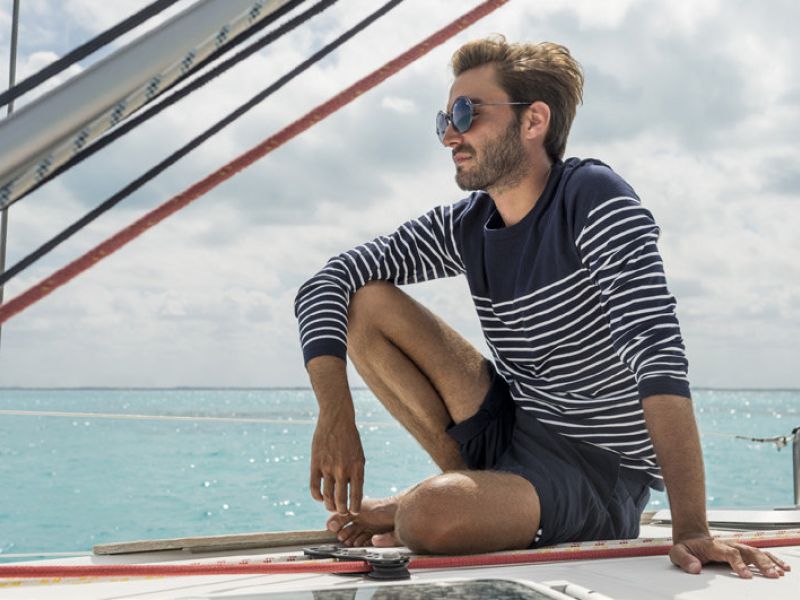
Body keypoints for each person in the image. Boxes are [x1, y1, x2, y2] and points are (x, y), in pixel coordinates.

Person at [293, 36, 789, 578]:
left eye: (467, 113)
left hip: (595, 472)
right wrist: (335, 413)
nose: (451, 135)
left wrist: (691, 528)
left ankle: (439, 504)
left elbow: (658, 352)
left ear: (533, 121)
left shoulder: (591, 197)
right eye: (445, 120)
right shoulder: (469, 222)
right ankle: (470, 495)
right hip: (518, 427)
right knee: (367, 303)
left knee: (428, 517)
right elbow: (326, 281)